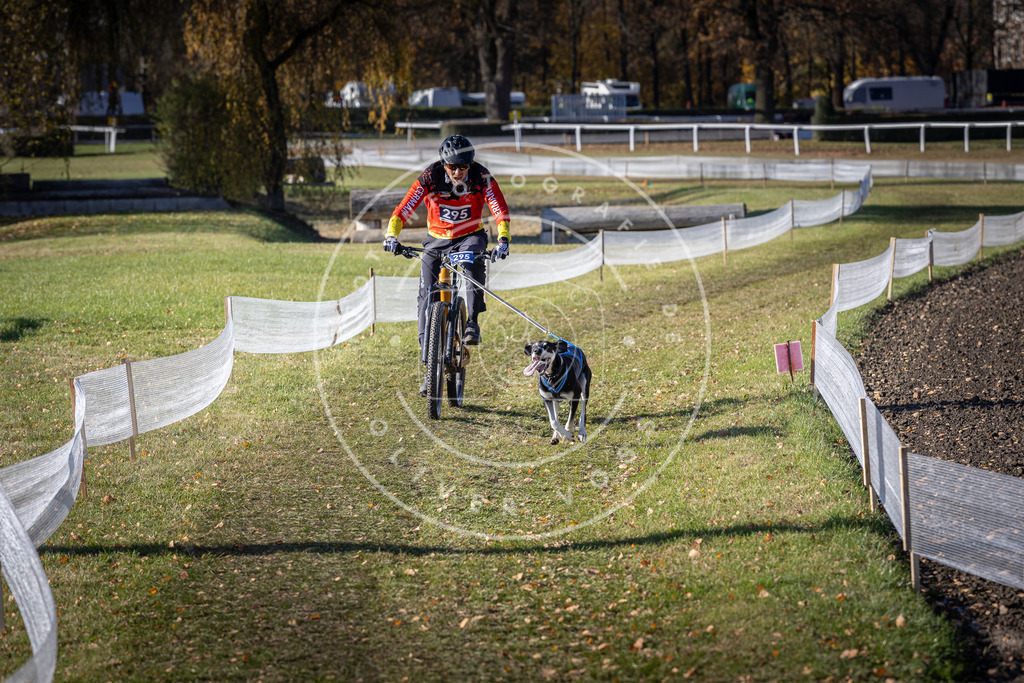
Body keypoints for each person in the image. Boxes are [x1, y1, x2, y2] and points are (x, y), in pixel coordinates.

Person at [383, 134, 511, 396]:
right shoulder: (430, 177)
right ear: (444, 164)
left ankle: (472, 321)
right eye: (452, 167)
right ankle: (429, 364)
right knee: (424, 296)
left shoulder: (481, 177)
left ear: (470, 164)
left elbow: (499, 208)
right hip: (436, 241)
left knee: (474, 263)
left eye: (462, 167)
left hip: (469, 237)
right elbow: (405, 207)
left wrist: (503, 240)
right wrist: (391, 235)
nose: (457, 172)